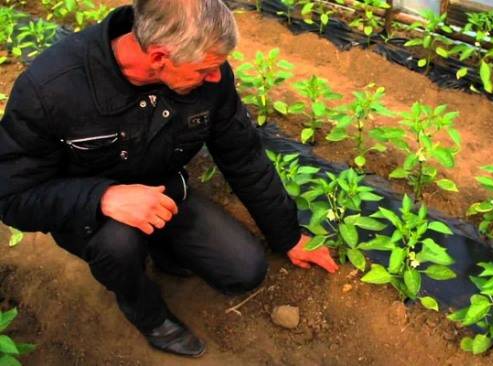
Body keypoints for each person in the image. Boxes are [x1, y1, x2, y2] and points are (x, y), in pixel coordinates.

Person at [0, 0, 338, 358]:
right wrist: (103, 197)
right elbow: (11, 196)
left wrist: (287, 235)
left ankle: (162, 249)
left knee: (245, 270)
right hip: (92, 219)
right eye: (205, 70)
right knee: (119, 245)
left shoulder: (211, 77)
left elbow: (243, 156)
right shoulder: (52, 89)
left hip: (166, 193)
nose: (217, 77)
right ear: (160, 57)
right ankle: (148, 315)